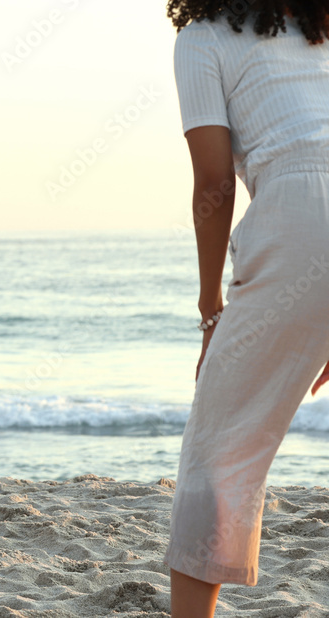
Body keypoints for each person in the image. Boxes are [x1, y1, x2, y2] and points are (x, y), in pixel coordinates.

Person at [166, 2, 329, 616]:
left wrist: (211, 306)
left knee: (216, 453)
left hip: (299, 216)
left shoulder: (202, 39)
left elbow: (214, 184)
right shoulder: (319, 32)